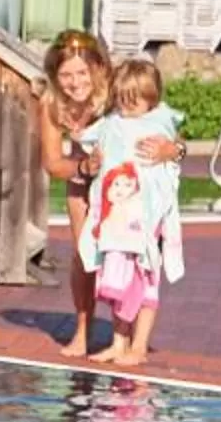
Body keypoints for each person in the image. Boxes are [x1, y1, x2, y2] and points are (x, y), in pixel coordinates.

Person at [35, 30, 183, 357]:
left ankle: (127, 338)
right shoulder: (51, 103)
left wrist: (172, 151)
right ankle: (84, 331)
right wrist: (85, 168)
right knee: (85, 257)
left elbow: (173, 136)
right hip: (83, 177)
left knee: (133, 255)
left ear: (97, 69)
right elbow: (52, 162)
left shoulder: (117, 88)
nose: (74, 82)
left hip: (130, 186)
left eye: (81, 73)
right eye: (65, 75)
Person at [77, 56, 187, 369]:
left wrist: (173, 149)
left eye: (134, 101)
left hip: (148, 219)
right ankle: (118, 341)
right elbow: (87, 137)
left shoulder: (159, 124)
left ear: (151, 100)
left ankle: (139, 345)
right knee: (116, 275)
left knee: (147, 276)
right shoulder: (112, 124)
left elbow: (178, 145)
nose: (127, 108)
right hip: (117, 219)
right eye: (122, 100)